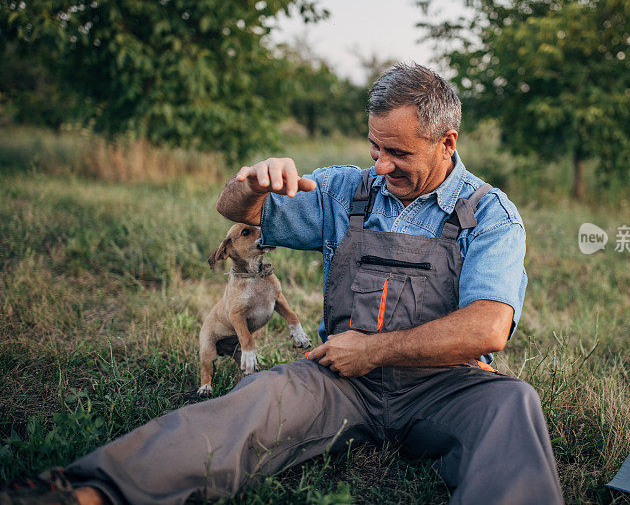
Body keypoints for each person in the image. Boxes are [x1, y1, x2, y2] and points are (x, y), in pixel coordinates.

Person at [6, 63, 563, 504]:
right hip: (341, 381)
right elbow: (231, 210)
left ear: (447, 141)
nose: (381, 165)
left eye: (399, 152)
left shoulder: (489, 213)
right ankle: (88, 491)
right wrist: (251, 185)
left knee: (513, 404)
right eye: (375, 147)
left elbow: (489, 327)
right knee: (256, 398)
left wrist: (373, 350)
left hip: (446, 387)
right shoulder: (347, 190)